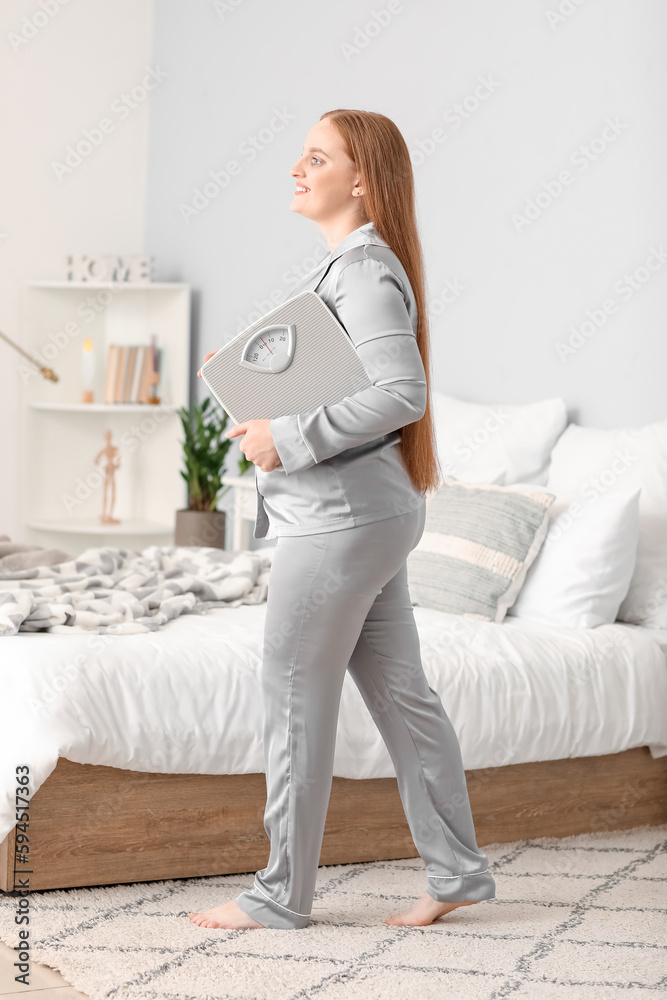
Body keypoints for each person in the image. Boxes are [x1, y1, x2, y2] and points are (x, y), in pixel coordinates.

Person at [188, 109, 496, 930]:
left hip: (339, 523)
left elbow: (401, 395)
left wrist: (282, 437)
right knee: (402, 697)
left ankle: (278, 895)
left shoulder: (361, 272)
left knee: (292, 695)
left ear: (359, 180)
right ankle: (457, 873)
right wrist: (256, 398)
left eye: (315, 157)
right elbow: (355, 390)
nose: (296, 167)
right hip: (369, 513)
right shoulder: (353, 270)